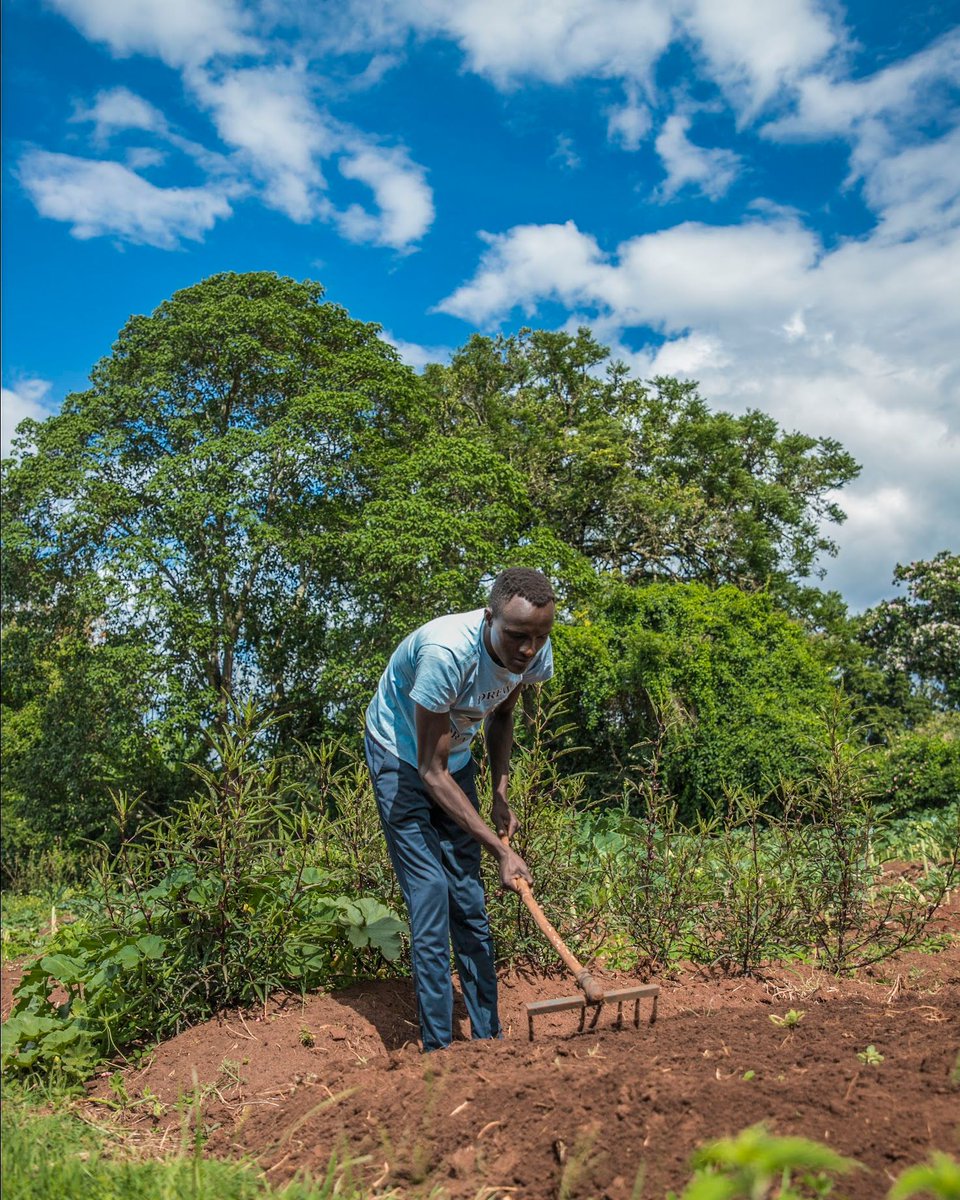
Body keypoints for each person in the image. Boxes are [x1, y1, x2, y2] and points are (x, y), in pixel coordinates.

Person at [364, 567, 556, 1052]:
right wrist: (499, 850)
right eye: (517, 636)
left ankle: (490, 1041)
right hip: (402, 756)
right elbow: (431, 772)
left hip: (457, 757)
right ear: (489, 618)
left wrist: (499, 793)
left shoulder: (533, 646)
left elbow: (504, 714)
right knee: (430, 896)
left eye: (539, 636)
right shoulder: (446, 653)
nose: (528, 650)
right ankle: (440, 1051)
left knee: (468, 900)